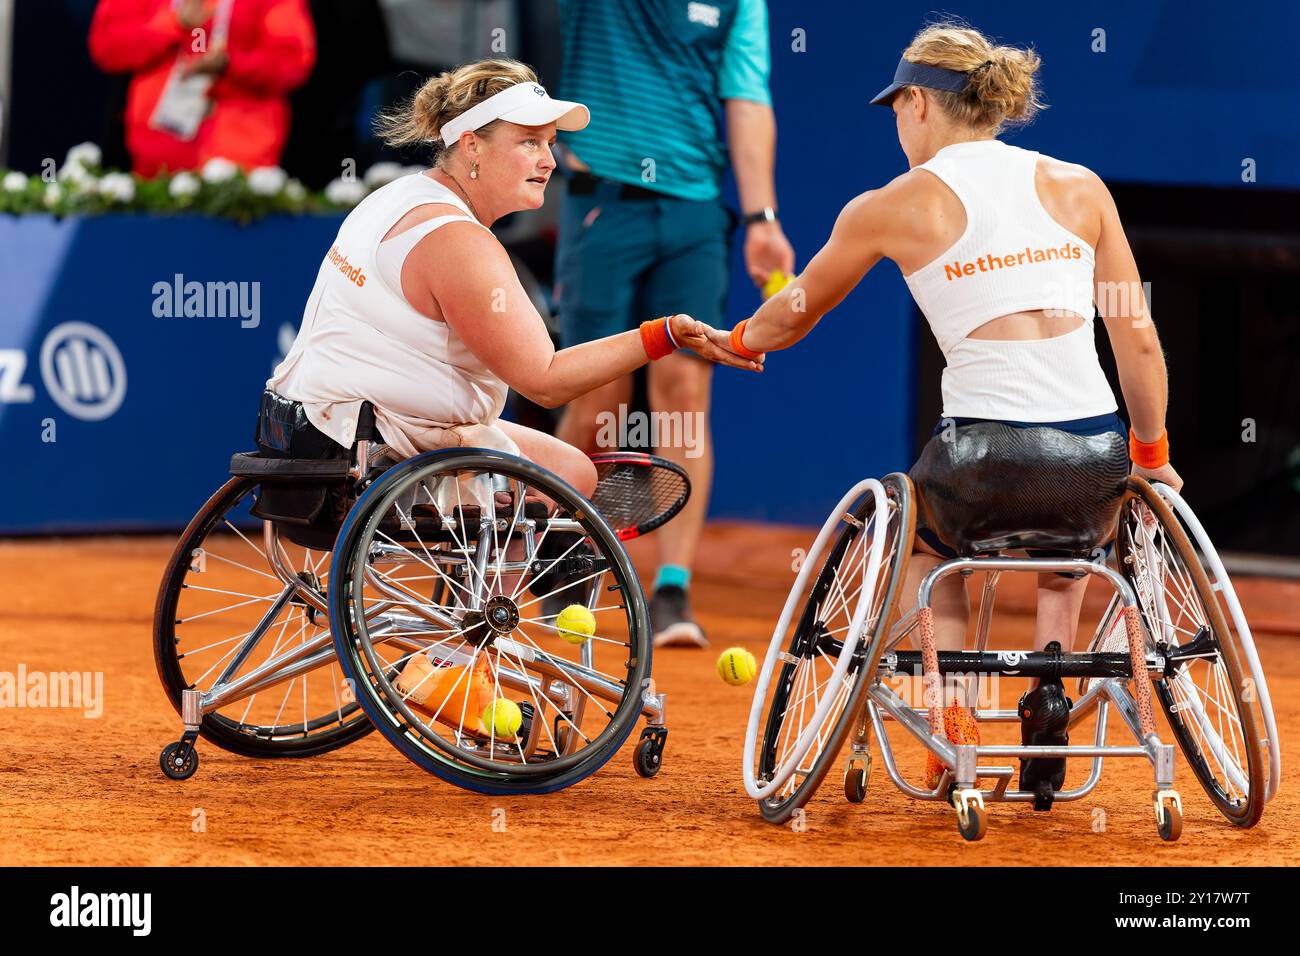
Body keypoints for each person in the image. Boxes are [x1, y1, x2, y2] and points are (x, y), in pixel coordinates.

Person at [713, 22, 1181, 792]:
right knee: (1070, 539)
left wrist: (738, 337)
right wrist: (1153, 459)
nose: (897, 123)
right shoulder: (1082, 187)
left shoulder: (889, 205)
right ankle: (1050, 686)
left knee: (926, 543)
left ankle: (954, 712)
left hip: (982, 459)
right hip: (1095, 455)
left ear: (920, 104)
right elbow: (1137, 339)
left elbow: (793, 314)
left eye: (896, 107)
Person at [267, 59, 758, 514]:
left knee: (572, 468)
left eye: (549, 143)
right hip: (368, 445)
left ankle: (489, 593)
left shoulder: (397, 195)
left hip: (308, 424)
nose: (549, 161)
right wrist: (665, 333)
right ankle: (490, 604)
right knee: (565, 476)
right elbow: (545, 381)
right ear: (471, 145)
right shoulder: (459, 241)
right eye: (529, 142)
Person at [550, 0, 795, 647]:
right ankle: (573, 558)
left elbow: (746, 98)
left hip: (693, 213)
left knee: (684, 393)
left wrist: (762, 217)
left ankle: (672, 586)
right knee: (598, 395)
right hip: (601, 203)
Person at [88, 0, 315, 176]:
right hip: (156, 162)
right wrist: (174, 23)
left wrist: (230, 63)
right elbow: (107, 46)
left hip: (241, 165)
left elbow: (292, 63)